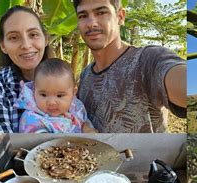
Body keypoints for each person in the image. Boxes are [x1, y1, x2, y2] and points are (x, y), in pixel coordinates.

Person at [73, 0, 187, 133]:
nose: (91, 23)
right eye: (83, 16)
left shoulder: (147, 60)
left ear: (120, 17)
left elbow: (182, 80)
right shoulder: (86, 75)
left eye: (101, 12)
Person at [0, 6, 52, 133]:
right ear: (3, 46)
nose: (26, 45)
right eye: (14, 37)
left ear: (46, 39)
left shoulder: (65, 80)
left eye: (33, 34)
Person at [14, 58, 97, 133]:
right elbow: (37, 142)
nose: (51, 102)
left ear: (73, 92)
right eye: (43, 95)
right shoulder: (31, 118)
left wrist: (87, 128)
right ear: (34, 90)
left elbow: (83, 122)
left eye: (59, 96)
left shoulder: (76, 107)